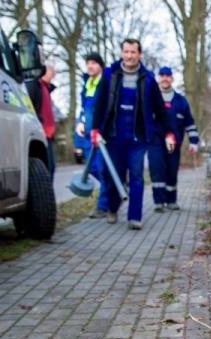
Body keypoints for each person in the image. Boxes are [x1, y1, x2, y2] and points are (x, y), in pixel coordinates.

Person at [91, 39, 176, 230]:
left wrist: (169, 132)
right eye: (126, 52)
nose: (129, 56)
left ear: (140, 54)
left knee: (136, 175)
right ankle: (112, 208)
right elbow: (100, 104)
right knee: (115, 175)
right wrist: (95, 129)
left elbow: (160, 109)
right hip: (114, 135)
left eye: (133, 52)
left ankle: (134, 216)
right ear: (122, 53)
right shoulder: (109, 75)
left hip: (138, 137)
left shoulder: (147, 78)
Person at [155, 66, 200, 211]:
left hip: (174, 144)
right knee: (158, 170)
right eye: (162, 76)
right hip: (155, 142)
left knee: (172, 171)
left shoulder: (180, 101)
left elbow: (190, 123)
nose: (165, 78)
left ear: (172, 78)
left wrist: (194, 142)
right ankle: (158, 202)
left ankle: (171, 200)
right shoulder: (152, 99)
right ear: (159, 78)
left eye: (167, 76)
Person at [74, 52, 108, 219]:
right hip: (88, 134)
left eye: (94, 63)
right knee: (92, 167)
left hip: (101, 134)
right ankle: (113, 189)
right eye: (88, 63)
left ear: (100, 65)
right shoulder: (87, 84)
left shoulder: (105, 83)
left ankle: (103, 206)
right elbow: (83, 109)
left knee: (102, 168)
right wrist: (81, 121)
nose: (90, 66)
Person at [25, 62, 56, 176]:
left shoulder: (46, 88)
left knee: (50, 168)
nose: (54, 73)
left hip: (49, 135)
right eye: (52, 70)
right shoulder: (34, 85)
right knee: (46, 168)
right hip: (40, 132)